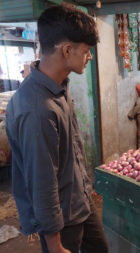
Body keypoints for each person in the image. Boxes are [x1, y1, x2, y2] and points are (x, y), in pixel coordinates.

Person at [5, 6, 108, 253]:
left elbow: (69, 147)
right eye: (87, 51)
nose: (89, 57)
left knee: (100, 249)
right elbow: (42, 182)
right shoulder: (37, 110)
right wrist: (54, 245)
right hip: (61, 215)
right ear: (67, 50)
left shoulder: (58, 86)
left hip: (79, 198)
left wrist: (84, 183)